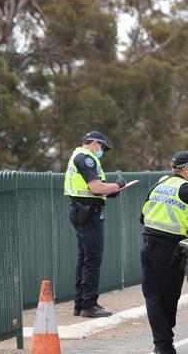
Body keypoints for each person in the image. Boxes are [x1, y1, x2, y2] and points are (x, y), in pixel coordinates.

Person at [140, 151, 188, 354]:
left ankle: (162, 345)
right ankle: (164, 344)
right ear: (185, 169)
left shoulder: (158, 185)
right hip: (169, 252)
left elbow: (142, 217)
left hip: (148, 247)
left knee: (153, 298)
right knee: (168, 298)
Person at [64, 131, 126, 318]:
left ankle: (80, 303)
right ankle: (89, 305)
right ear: (93, 143)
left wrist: (111, 191)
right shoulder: (86, 158)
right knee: (92, 259)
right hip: (89, 213)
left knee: (85, 257)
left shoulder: (80, 157)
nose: (102, 151)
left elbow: (94, 190)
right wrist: (116, 186)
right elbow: (96, 187)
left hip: (84, 210)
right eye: (102, 147)